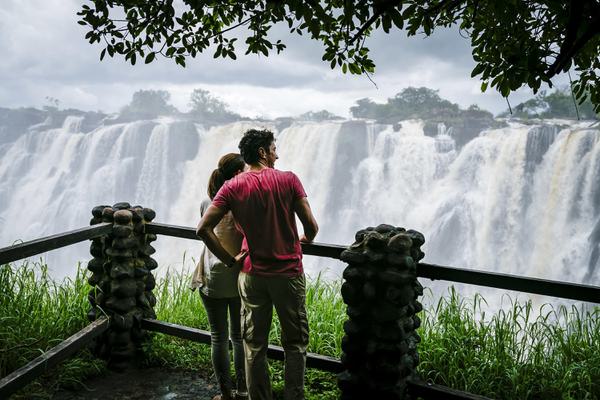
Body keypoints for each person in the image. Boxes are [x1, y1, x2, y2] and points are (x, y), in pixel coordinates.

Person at [196, 129, 319, 400]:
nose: (277, 154)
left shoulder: (231, 186)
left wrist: (229, 260)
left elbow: (203, 229)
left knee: (254, 345)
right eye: (274, 149)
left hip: (251, 275)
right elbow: (311, 226)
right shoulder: (289, 180)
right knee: (295, 344)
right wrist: (305, 238)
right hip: (287, 274)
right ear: (263, 152)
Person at [192, 153, 248, 400]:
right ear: (237, 174)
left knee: (218, 337)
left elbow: (206, 232)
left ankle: (225, 394)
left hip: (213, 276)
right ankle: (243, 392)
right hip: (238, 276)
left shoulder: (208, 201)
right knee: (239, 337)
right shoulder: (244, 203)